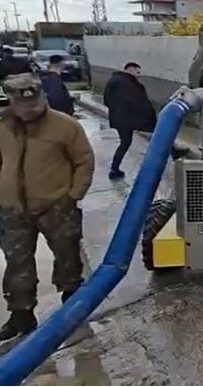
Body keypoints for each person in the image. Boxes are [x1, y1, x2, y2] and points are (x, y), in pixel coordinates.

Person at [0, 73, 95, 340]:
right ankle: (21, 315)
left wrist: (73, 195)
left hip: (56, 206)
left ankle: (73, 305)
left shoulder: (64, 126)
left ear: (43, 97)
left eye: (35, 103)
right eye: (23, 105)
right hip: (14, 210)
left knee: (67, 257)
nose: (30, 110)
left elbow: (84, 161)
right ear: (12, 102)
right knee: (17, 263)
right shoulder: (4, 126)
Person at [103, 62, 156, 180]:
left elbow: (106, 100)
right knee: (127, 142)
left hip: (118, 119)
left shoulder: (113, 80)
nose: (138, 76)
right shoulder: (129, 84)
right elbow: (137, 103)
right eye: (137, 72)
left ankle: (114, 168)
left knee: (125, 142)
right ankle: (114, 168)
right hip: (129, 119)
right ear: (131, 70)